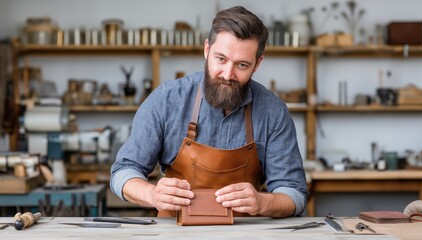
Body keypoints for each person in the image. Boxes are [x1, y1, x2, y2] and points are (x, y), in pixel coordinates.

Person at [110, 6, 308, 218]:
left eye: (242, 65)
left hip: (245, 234)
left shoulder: (273, 111)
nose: (228, 74)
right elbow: (122, 173)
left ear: (257, 64)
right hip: (175, 233)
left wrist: (263, 202)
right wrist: (152, 194)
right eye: (221, 59)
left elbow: (294, 194)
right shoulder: (167, 100)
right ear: (207, 49)